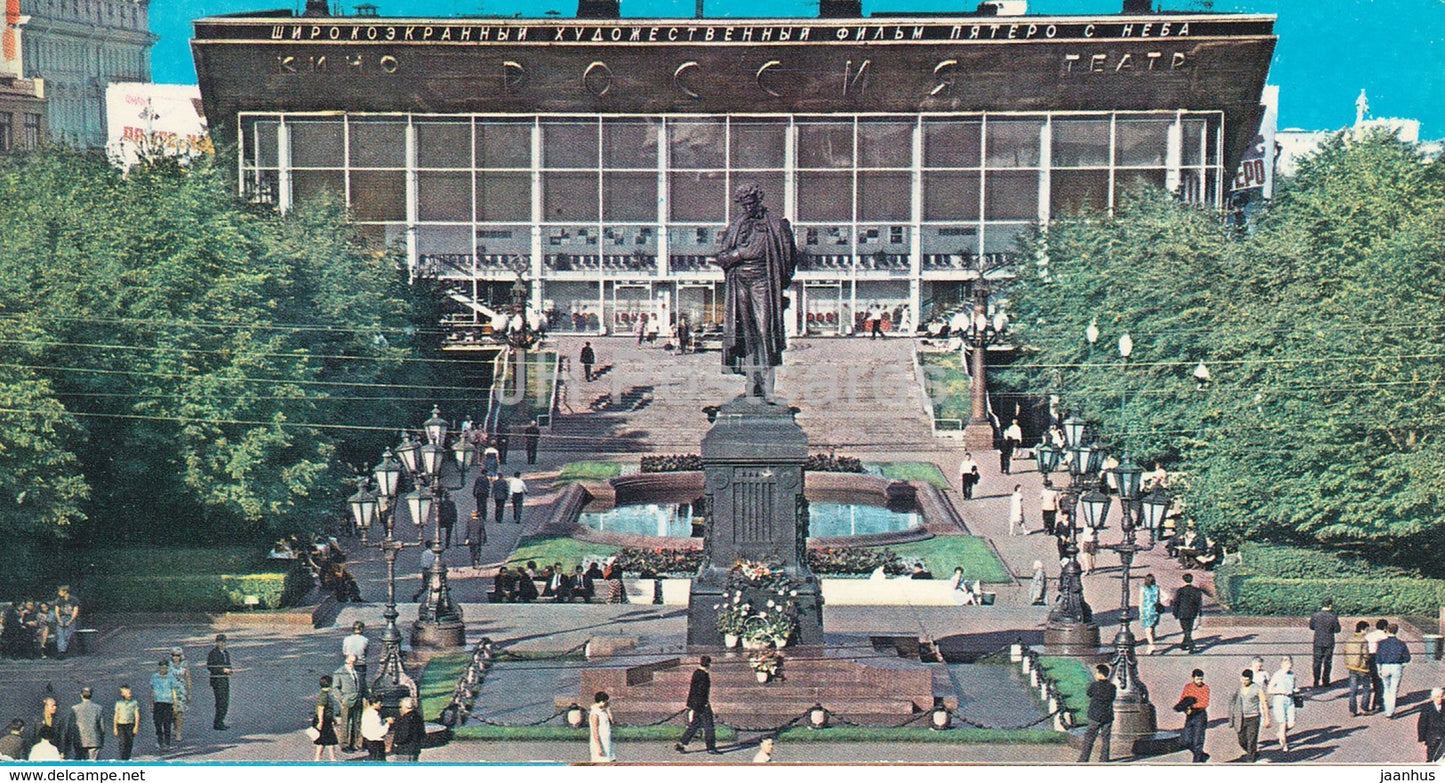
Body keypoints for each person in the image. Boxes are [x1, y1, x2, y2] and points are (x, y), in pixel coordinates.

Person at [713, 182, 797, 400]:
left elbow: (788, 256)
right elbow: (723, 254)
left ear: (759, 200)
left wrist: (780, 286)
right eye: (744, 204)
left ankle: (767, 388)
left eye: (751, 203)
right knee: (747, 335)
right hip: (740, 281)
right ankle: (752, 385)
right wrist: (736, 255)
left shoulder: (776, 224)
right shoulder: (737, 224)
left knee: (765, 333)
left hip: (763, 281)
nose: (748, 208)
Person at [675, 655, 719, 754]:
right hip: (702, 705)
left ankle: (682, 743)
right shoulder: (703, 675)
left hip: (695, 704)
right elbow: (701, 692)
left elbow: (692, 690)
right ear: (709, 664)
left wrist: (690, 705)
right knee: (709, 726)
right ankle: (711, 748)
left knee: (695, 725)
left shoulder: (696, 673)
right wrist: (705, 704)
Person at [1228, 668, 1270, 763]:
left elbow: (1264, 703)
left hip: (1253, 718)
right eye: (1243, 679)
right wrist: (1232, 717)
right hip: (1241, 718)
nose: (1244, 682)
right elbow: (1232, 702)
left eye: (1246, 680)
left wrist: (1267, 718)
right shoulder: (1239, 688)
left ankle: (1250, 761)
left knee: (1252, 740)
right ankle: (1253, 752)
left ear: (1251, 679)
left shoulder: (1257, 689)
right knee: (1241, 741)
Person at [1077, 664, 1115, 763]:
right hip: (1107, 716)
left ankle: (1084, 759)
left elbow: (1089, 694)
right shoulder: (1112, 687)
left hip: (1094, 716)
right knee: (1106, 739)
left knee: (1089, 738)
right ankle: (1104, 759)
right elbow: (1112, 698)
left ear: (1100, 674)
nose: (1095, 674)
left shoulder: (1094, 685)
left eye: (1097, 672)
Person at [1375, 623, 1411, 718]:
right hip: (1396, 666)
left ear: (1387, 630)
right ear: (1397, 631)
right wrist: (1402, 665)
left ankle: (1387, 710)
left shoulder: (1381, 643)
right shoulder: (1401, 643)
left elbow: (1378, 657)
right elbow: (1407, 657)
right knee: (1394, 690)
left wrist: (1379, 669)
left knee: (1386, 689)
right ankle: (1391, 711)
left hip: (1385, 666)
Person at [1176, 669, 1210, 763]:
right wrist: (1183, 708)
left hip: (1200, 715)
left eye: (1201, 679)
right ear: (1193, 678)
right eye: (1198, 679)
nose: (1200, 681)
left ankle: (1196, 762)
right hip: (1190, 715)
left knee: (1197, 742)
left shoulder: (1205, 688)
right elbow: (1183, 698)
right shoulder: (1188, 687)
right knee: (1185, 740)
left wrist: (1191, 706)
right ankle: (1202, 755)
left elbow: (1204, 703)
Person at [1266, 655, 1298, 753]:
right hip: (1280, 701)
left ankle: (1281, 733)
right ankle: (1284, 745)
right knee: (1283, 724)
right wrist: (1282, 691)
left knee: (1291, 723)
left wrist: (1295, 690)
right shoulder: (1277, 675)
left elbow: (1293, 687)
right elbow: (1269, 690)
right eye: (1287, 664)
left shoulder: (1292, 675)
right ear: (1282, 664)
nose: (1289, 666)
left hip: (1290, 701)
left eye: (1290, 664)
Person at [334, 655, 365, 752]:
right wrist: (342, 699)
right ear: (346, 661)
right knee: (345, 723)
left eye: (354, 662)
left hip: (358, 700)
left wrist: (366, 697)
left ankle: (355, 743)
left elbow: (363, 684)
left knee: (357, 722)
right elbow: (335, 688)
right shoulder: (339, 672)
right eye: (350, 662)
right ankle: (344, 744)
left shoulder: (359, 672)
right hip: (347, 701)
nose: (352, 664)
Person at [1308, 600, 1341, 688]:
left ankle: (1316, 680)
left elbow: (1311, 627)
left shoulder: (1315, 616)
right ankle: (1325, 681)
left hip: (1318, 641)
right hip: (1329, 641)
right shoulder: (1333, 616)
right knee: (1327, 662)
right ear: (1330, 605)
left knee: (1316, 662)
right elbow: (1337, 630)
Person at [1343, 620, 1372, 716]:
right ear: (1363, 630)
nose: (1367, 632)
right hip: (1362, 667)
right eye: (1367, 630)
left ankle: (1352, 710)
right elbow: (1366, 655)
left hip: (1351, 666)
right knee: (1366, 688)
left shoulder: (1349, 640)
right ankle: (1364, 708)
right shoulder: (1363, 640)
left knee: (1353, 690)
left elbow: (1345, 652)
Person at [1171, 573, 1204, 654]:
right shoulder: (1196, 590)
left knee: (1185, 629)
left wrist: (1175, 613)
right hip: (1192, 612)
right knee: (1188, 628)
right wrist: (1199, 612)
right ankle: (1184, 644)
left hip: (1182, 612)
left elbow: (1176, 602)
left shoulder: (1180, 591)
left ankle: (1191, 645)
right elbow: (1199, 602)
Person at [70, 688, 105, 761]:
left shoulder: (75, 709)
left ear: (81, 695)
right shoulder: (98, 708)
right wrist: (101, 740)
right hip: (94, 740)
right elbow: (102, 727)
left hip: (80, 740)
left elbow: (72, 726)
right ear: (91, 695)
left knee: (80, 764)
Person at [206, 634, 232, 731]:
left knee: (225, 702)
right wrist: (222, 670)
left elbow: (228, 664)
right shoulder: (213, 653)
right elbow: (210, 666)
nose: (223, 644)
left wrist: (230, 670)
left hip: (224, 680)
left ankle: (221, 720)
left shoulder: (226, 653)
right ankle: (217, 722)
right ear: (217, 643)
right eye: (220, 642)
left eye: (224, 642)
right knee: (220, 702)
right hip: (217, 680)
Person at [150, 658, 177, 750]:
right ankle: (160, 741)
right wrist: (152, 704)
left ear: (168, 668)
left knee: (167, 724)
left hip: (168, 703)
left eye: (165, 668)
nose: (163, 670)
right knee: (157, 723)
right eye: (161, 668)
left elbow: (173, 690)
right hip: (158, 703)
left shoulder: (171, 677)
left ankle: (167, 743)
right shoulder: (155, 677)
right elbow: (153, 691)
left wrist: (175, 704)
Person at [312, 675, 340, 762]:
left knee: (322, 741)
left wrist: (333, 719)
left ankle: (318, 758)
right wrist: (320, 722)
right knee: (330, 741)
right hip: (324, 721)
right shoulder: (324, 696)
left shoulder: (324, 695)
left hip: (326, 720)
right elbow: (321, 708)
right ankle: (332, 759)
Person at [1365, 618, 1390, 713]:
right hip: (1379, 657)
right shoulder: (1385, 636)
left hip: (1369, 657)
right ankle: (1378, 702)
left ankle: (1369, 703)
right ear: (1385, 627)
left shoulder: (1369, 635)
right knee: (1380, 681)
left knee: (1374, 680)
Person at [168, 647, 192, 743]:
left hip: (181, 691)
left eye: (177, 655)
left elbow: (188, 678)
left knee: (180, 712)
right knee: (172, 712)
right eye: (173, 655)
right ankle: (174, 726)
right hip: (170, 691)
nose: (175, 657)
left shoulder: (185, 665)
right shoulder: (169, 665)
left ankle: (179, 732)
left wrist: (190, 693)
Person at [390, 697, 424, 762]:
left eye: (401, 706)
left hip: (405, 750)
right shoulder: (418, 716)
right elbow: (422, 733)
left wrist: (396, 742)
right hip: (415, 748)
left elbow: (404, 735)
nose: (401, 708)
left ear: (405, 707)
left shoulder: (406, 719)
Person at [113, 685, 140, 761]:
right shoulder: (119, 703)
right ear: (122, 694)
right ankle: (122, 757)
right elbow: (116, 715)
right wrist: (115, 727)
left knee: (130, 741)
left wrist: (136, 726)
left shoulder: (134, 703)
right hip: (121, 724)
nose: (129, 694)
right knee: (123, 741)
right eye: (127, 693)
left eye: (130, 692)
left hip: (130, 724)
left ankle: (127, 756)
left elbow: (137, 715)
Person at [1418, 687, 1445, 762]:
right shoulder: (1427, 708)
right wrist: (1422, 737)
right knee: (1431, 754)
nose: (1440, 699)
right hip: (1431, 736)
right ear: (1433, 698)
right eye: (1437, 697)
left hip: (1443, 735)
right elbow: (1422, 723)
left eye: (1441, 696)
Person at [1138, 573, 1162, 655]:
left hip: (1146, 610)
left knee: (1147, 629)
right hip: (1155, 610)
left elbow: (1141, 601)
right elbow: (1162, 598)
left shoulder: (1143, 589)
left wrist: (1140, 612)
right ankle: (1153, 639)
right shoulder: (1157, 588)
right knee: (1152, 626)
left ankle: (1151, 645)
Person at [52, 587, 79, 658]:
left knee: (67, 634)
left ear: (65, 592)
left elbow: (75, 611)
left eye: (60, 591)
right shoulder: (59, 600)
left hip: (70, 617)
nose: (59, 593)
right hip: (61, 617)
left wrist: (70, 621)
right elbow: (56, 611)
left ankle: (64, 651)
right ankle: (61, 652)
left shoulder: (73, 600)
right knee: (60, 634)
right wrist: (59, 620)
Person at [588, 691, 614, 763]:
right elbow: (595, 731)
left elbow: (612, 721)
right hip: (600, 743)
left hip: (607, 741)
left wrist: (608, 710)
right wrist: (599, 747)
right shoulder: (595, 714)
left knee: (611, 761)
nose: (607, 703)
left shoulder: (603, 711)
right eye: (606, 701)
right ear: (602, 701)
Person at [342, 622, 369, 686]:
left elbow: (344, 652)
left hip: (349, 663)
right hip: (361, 663)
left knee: (350, 683)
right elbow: (366, 652)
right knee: (361, 682)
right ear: (362, 629)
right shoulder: (365, 640)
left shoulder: (347, 639)